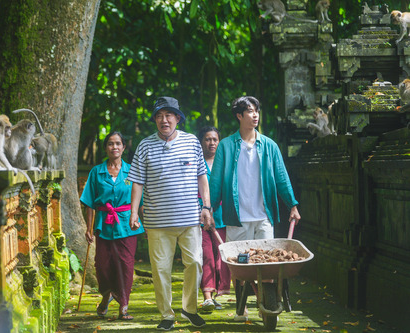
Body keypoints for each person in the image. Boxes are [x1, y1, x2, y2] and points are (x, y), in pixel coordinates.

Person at [209, 96, 301, 321]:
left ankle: (267, 305)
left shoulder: (269, 146)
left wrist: (293, 205)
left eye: (257, 110)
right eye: (250, 111)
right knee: (240, 268)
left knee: (268, 265)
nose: (255, 115)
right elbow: (217, 181)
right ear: (239, 116)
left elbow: (281, 178)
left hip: (263, 217)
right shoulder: (226, 146)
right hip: (237, 218)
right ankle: (242, 309)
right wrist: (208, 209)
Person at [127, 96, 213, 331]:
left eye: (168, 115)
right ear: (155, 120)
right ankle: (166, 314)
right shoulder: (145, 145)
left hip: (189, 219)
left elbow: (201, 177)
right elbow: (137, 182)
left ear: (177, 118)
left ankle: (189, 309)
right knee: (161, 269)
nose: (163, 120)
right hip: (157, 222)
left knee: (195, 263)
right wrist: (134, 212)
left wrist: (206, 207)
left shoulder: (192, 142)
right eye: (159, 116)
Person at [80, 131, 145, 321]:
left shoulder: (132, 171)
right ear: (106, 148)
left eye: (118, 143)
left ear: (124, 147)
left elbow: (140, 201)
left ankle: (124, 305)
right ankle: (106, 295)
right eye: (110, 143)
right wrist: (89, 228)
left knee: (126, 264)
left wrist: (146, 224)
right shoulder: (96, 172)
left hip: (128, 224)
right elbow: (90, 203)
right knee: (102, 265)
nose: (114, 147)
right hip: (104, 224)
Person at [197, 126, 231, 312]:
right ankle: (207, 296)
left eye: (215, 139)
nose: (211, 143)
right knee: (206, 255)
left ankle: (217, 293)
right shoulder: (196, 163)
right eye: (207, 139)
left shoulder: (225, 164)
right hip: (200, 217)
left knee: (221, 257)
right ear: (201, 142)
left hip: (222, 216)